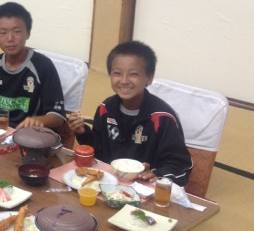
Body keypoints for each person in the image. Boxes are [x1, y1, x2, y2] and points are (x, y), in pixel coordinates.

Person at [68, 40, 192, 186]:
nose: (124, 81)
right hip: (108, 183)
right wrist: (82, 132)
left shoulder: (163, 117)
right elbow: (99, 153)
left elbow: (181, 166)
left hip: (145, 187)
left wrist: (158, 173)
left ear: (149, 78)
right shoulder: (105, 109)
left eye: (133, 74)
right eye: (117, 73)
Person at [0, 2, 66, 129]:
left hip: (32, 134)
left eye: (17, 31)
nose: (10, 38)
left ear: (28, 33)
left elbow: (57, 116)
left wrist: (36, 121)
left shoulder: (43, 66)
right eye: (3, 33)